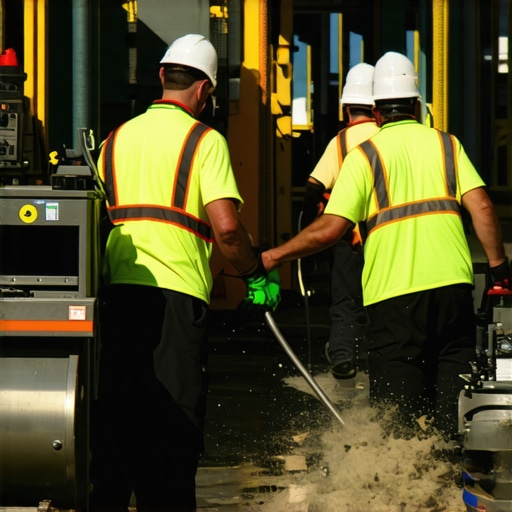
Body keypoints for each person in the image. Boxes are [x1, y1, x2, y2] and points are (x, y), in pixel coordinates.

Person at [261, 51, 510, 441]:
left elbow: (329, 229)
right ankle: (448, 483)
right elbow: (482, 207)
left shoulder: (365, 156)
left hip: (394, 298)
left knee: (398, 423)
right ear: (416, 105)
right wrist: (498, 272)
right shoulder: (447, 145)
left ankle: (403, 493)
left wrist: (274, 255)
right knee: (452, 410)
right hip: (452, 290)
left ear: (377, 113)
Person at [90, 34, 280, 512]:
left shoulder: (114, 139)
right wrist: (254, 275)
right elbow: (228, 231)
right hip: (176, 300)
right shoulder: (205, 141)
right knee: (171, 430)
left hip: (116, 298)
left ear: (161, 76)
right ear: (205, 90)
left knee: (116, 424)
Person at [300, 62, 379, 379]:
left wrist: (314, 232)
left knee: (345, 299)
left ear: (346, 107)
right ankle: (379, 356)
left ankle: (344, 356)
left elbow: (313, 188)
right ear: (377, 105)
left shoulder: (341, 142)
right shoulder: (386, 138)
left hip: (349, 237)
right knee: (380, 298)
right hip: (385, 236)